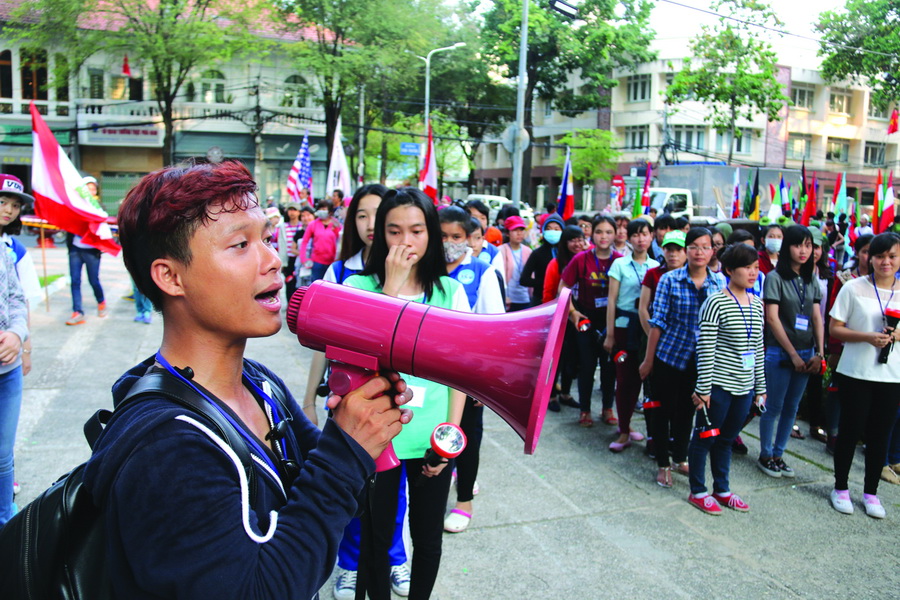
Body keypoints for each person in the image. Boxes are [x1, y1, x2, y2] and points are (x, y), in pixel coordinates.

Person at [82, 160, 412, 598]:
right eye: (240, 244)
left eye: (268, 239)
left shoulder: (259, 383)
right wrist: (346, 451)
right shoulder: (167, 449)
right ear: (170, 276)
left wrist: (362, 426)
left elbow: (321, 489)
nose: (273, 260)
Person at [345, 187, 468, 600]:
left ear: (431, 234)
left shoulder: (450, 294)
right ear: (381, 235)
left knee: (428, 537)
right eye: (394, 231)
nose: (406, 242)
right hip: (378, 435)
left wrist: (450, 437)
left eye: (416, 230)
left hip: (430, 437)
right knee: (376, 537)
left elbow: (458, 374)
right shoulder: (358, 287)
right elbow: (363, 362)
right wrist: (391, 288)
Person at [642, 228, 726, 486]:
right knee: (662, 410)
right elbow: (658, 323)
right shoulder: (669, 280)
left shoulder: (719, 283)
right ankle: (663, 463)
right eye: (694, 247)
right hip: (670, 355)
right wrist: (648, 360)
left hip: (701, 361)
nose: (699, 252)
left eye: (705, 247)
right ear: (686, 250)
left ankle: (679, 457)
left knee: (687, 412)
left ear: (713, 251)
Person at [439, 206, 504, 535]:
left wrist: (484, 381)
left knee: (465, 437)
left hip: (467, 376)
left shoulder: (482, 270)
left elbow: (494, 330)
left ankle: (464, 501)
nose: (449, 242)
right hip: (430, 374)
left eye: (456, 236)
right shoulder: (425, 270)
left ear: (469, 240)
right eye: (443, 236)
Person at [688, 243, 766, 514]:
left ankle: (722, 489)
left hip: (744, 388)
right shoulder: (715, 302)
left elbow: (757, 347)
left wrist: (761, 388)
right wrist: (703, 389)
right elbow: (706, 347)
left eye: (756, 267)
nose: (753, 272)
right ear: (730, 270)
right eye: (747, 267)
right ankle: (698, 490)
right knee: (705, 437)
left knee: (727, 439)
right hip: (718, 386)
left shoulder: (757, 304)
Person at [828, 232, 900, 519]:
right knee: (849, 430)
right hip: (856, 372)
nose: (886, 262)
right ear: (870, 258)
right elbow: (835, 328)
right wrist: (867, 337)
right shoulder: (853, 287)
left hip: (891, 375)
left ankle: (871, 493)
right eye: (880, 256)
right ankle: (841, 488)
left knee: (880, 435)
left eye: (892, 256)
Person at [758, 225, 824, 478]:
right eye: (798, 245)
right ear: (788, 248)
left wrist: (819, 352)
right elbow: (772, 319)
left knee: (792, 408)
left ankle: (779, 453)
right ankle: (765, 454)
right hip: (780, 352)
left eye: (809, 245)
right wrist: (793, 354)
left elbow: (816, 317)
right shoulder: (775, 278)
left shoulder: (811, 279)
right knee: (773, 406)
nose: (804, 251)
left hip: (807, 352)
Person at [604, 218, 659, 452]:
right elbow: (612, 300)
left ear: (652, 236)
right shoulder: (619, 265)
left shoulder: (657, 266)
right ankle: (624, 429)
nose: (640, 239)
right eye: (635, 235)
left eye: (645, 234)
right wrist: (609, 334)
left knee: (646, 381)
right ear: (628, 237)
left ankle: (651, 434)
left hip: (648, 327)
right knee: (624, 380)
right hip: (624, 326)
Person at [564, 216, 621, 426]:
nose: (603, 236)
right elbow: (563, 288)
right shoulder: (580, 259)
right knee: (587, 367)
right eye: (599, 232)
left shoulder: (620, 260)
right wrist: (572, 312)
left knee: (609, 368)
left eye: (608, 232)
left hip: (611, 321)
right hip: (586, 319)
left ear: (615, 234)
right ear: (592, 234)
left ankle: (607, 408)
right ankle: (585, 410)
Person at [637, 229, 687, 456]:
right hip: (654, 343)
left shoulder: (695, 277)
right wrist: (653, 338)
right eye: (669, 249)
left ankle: (676, 441)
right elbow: (644, 309)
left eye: (678, 250)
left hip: (682, 349)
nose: (673, 254)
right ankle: (653, 437)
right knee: (654, 394)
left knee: (679, 400)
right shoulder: (654, 275)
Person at [0, 176, 30, 524]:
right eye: (2, 202)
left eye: (14, 204)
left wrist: (17, 335)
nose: (8, 210)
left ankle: (7, 522)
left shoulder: (6, 250)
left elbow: (16, 298)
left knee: (3, 457)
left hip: (7, 374)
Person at [542, 225, 585, 414]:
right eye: (572, 240)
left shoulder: (586, 260)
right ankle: (550, 395)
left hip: (579, 317)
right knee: (555, 360)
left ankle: (566, 393)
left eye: (580, 239)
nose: (577, 244)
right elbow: (548, 293)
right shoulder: (555, 264)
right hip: (558, 319)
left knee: (572, 358)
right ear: (565, 243)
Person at [65, 176, 108, 326]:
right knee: (75, 281)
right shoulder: (74, 206)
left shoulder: (99, 208)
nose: (91, 191)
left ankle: (101, 301)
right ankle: (77, 311)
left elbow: (103, 226)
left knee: (93, 280)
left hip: (91, 251)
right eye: (87, 188)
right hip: (76, 249)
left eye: (93, 188)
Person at [520, 214, 564, 307]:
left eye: (556, 229)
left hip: (563, 301)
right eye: (549, 229)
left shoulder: (566, 253)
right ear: (543, 231)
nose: (552, 232)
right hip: (540, 301)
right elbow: (524, 280)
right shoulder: (537, 253)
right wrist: (546, 283)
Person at [299, 200, 342, 283]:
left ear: (329, 211)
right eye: (320, 209)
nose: (322, 211)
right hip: (317, 262)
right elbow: (304, 242)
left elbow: (341, 241)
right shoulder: (313, 224)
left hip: (333, 262)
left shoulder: (336, 224)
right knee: (317, 286)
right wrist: (304, 259)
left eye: (324, 209)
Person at [499, 215, 533, 311]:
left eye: (521, 230)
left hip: (525, 298)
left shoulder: (528, 251)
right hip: (509, 300)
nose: (519, 233)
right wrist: (504, 295)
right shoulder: (501, 251)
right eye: (515, 230)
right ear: (507, 233)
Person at [278, 201, 304, 300]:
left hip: (300, 259)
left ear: (299, 212)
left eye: (294, 210)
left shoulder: (303, 225)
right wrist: (283, 263)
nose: (292, 212)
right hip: (289, 260)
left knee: (300, 284)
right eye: (290, 210)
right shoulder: (283, 226)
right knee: (289, 284)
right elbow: (282, 245)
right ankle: (290, 305)